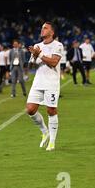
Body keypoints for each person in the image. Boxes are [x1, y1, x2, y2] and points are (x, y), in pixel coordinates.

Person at [26, 22, 64, 151]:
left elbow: (54, 62)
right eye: (42, 28)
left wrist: (40, 55)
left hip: (51, 83)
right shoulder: (37, 46)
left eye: (45, 28)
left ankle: (52, 142)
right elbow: (30, 66)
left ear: (52, 32)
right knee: (30, 109)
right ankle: (44, 131)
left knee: (51, 111)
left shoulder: (58, 45)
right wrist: (34, 56)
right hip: (38, 82)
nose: (42, 30)